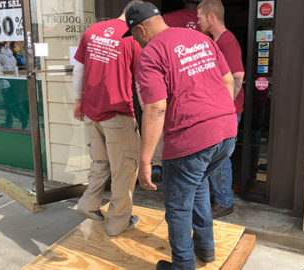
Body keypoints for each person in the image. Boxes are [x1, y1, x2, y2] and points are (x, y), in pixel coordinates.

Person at [123, 2, 237, 269]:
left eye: (135, 37)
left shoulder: (151, 54)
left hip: (192, 140)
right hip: (227, 133)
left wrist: (145, 161)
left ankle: (183, 266)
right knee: (197, 187)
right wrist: (219, 116)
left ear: (140, 29)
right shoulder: (201, 39)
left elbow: (155, 108)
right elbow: (229, 80)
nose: (136, 43)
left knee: (177, 208)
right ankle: (205, 249)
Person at [72, 0, 142, 237]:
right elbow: (142, 81)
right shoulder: (133, 37)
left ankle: (88, 204)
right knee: (124, 169)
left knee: (100, 163)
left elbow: (78, 70)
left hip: (92, 114)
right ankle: (118, 223)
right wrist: (151, 112)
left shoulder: (92, 31)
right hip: (118, 114)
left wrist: (78, 101)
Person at [197, 0, 245, 218]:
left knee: (220, 157)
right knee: (216, 157)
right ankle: (219, 197)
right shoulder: (214, 40)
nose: (197, 22)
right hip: (221, 111)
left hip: (228, 112)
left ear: (211, 17)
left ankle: (224, 201)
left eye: (199, 18)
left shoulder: (227, 41)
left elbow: (238, 76)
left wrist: (224, 110)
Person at [149, 0, 203, 183]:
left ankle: (157, 163)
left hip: (168, 81)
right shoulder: (206, 21)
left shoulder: (169, 19)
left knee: (161, 119)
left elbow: (155, 44)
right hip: (197, 84)